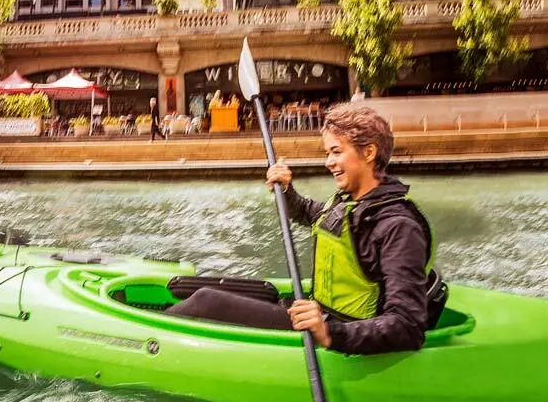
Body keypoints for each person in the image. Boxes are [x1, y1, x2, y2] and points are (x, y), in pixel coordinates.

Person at [167, 104, 442, 355]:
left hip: (341, 336)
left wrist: (330, 333)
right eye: (327, 153)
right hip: (320, 315)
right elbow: (307, 212)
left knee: (207, 302)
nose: (328, 162)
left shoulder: (398, 226)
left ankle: (150, 343)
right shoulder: (353, 204)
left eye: (336, 152)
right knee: (213, 287)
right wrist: (286, 190)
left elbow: (407, 326)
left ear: (368, 152)